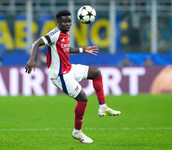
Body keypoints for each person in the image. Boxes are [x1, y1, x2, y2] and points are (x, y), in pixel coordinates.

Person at [25, 10, 121, 143]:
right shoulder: (54, 33)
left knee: (96, 73)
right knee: (83, 98)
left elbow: (65, 48)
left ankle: (103, 108)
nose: (68, 24)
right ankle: (77, 132)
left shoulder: (65, 33)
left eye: (69, 21)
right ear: (58, 22)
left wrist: (83, 49)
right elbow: (36, 43)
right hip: (60, 75)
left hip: (69, 68)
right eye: (64, 21)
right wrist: (32, 59)